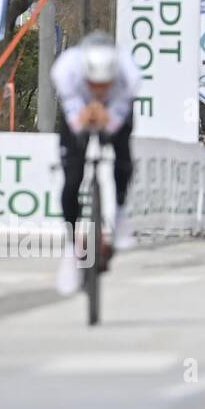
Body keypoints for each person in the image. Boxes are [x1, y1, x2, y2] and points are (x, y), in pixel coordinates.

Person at [50, 32, 142, 296]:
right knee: (72, 177)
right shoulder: (66, 70)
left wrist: (106, 120)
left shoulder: (129, 74)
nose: (99, 90)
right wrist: (85, 117)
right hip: (78, 107)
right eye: (94, 84)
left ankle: (122, 212)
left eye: (105, 84)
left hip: (116, 107)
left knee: (123, 155)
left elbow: (117, 117)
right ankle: (71, 249)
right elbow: (74, 117)